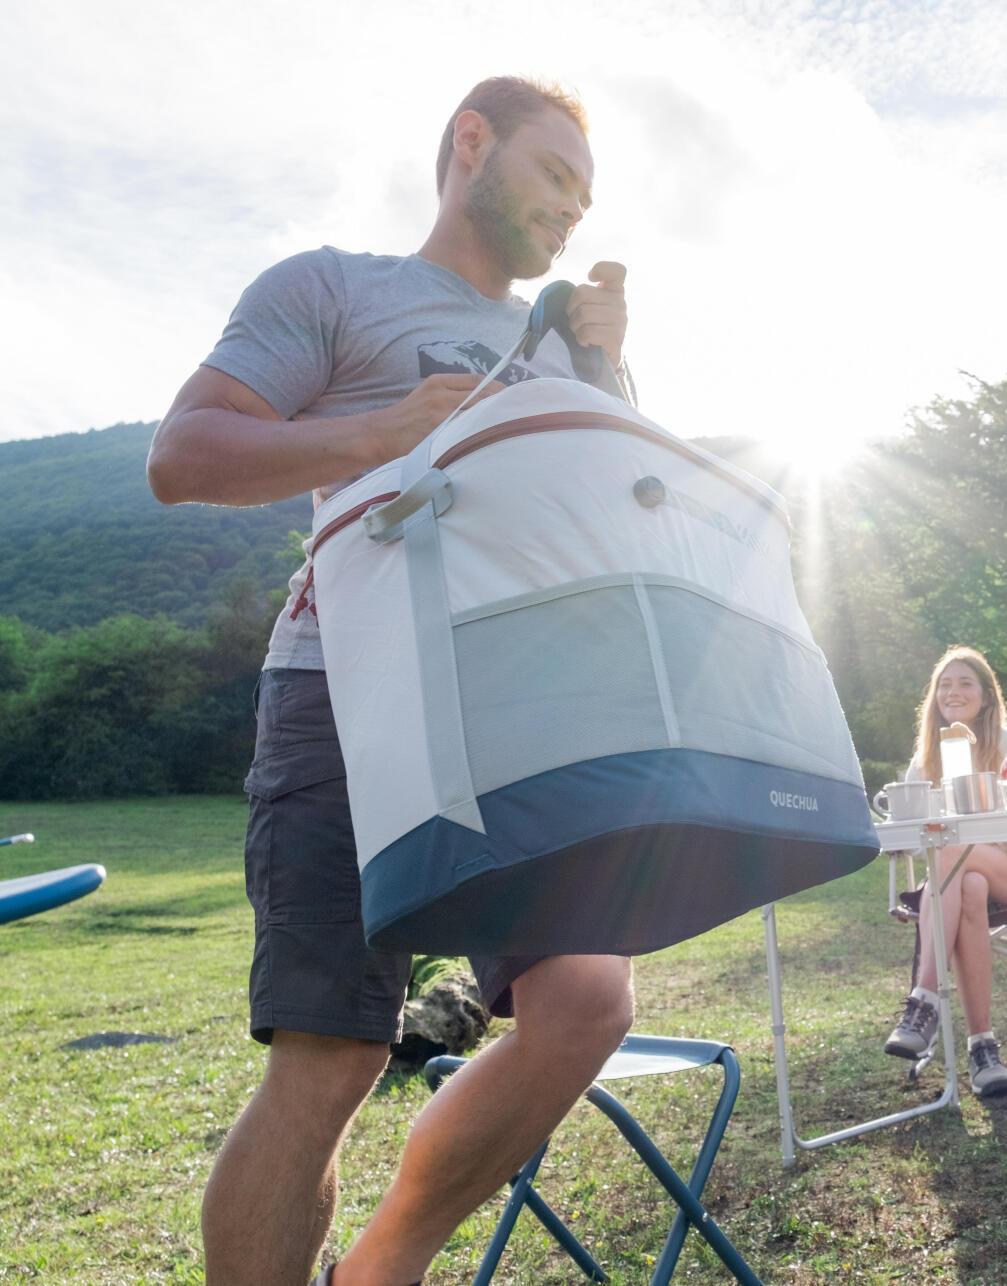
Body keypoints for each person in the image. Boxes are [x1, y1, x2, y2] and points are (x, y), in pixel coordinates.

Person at [148, 77, 637, 1286]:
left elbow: (617, 519)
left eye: (588, 191)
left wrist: (609, 375)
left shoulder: (565, 340)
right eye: (555, 174)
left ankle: (381, 1266)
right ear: (471, 143)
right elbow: (182, 455)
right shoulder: (331, 287)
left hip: (522, 712)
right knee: (328, 1060)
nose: (574, 209)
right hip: (347, 690)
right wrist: (379, 432)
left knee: (586, 1004)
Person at [882, 646, 1007, 1098]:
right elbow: (912, 833)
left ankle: (924, 1001)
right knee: (967, 880)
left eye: (965, 683)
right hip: (958, 887)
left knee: (952, 844)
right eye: (945, 684)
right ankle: (983, 1049)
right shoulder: (927, 759)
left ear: (986, 696)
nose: (953, 692)